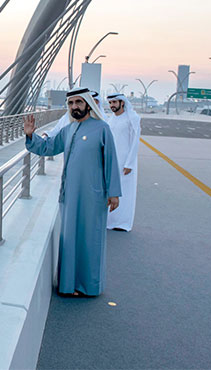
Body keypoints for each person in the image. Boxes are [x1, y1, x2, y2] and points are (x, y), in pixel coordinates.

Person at [24, 87, 121, 297]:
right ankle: (69, 285)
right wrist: (31, 136)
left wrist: (113, 192)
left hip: (93, 196)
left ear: (88, 104)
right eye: (70, 104)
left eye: (78, 102)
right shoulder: (68, 130)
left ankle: (88, 286)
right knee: (70, 238)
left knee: (90, 239)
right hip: (70, 195)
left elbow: (111, 161)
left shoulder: (102, 128)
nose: (74, 107)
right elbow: (49, 147)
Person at [106, 93, 141, 232]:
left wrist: (130, 163)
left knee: (125, 193)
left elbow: (135, 140)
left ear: (122, 102)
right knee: (111, 190)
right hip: (112, 161)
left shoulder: (132, 118)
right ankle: (110, 221)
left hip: (125, 163)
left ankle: (122, 223)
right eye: (110, 103)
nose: (112, 105)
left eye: (114, 102)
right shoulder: (111, 119)